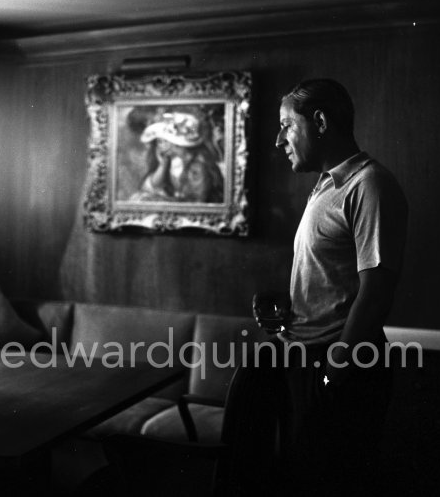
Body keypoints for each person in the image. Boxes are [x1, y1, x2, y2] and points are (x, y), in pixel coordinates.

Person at [253, 78, 408, 496]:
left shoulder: (369, 185)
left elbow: (376, 290)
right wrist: (289, 304)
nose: (278, 139)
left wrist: (333, 373)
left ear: (319, 121)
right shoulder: (324, 187)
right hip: (306, 362)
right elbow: (334, 279)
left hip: (339, 366)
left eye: (286, 125)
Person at [131, 112, 223, 203]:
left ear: (175, 143)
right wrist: (163, 165)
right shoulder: (170, 161)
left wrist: (163, 201)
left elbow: (197, 201)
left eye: (162, 141)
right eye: (159, 142)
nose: (159, 146)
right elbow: (149, 188)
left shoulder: (198, 166)